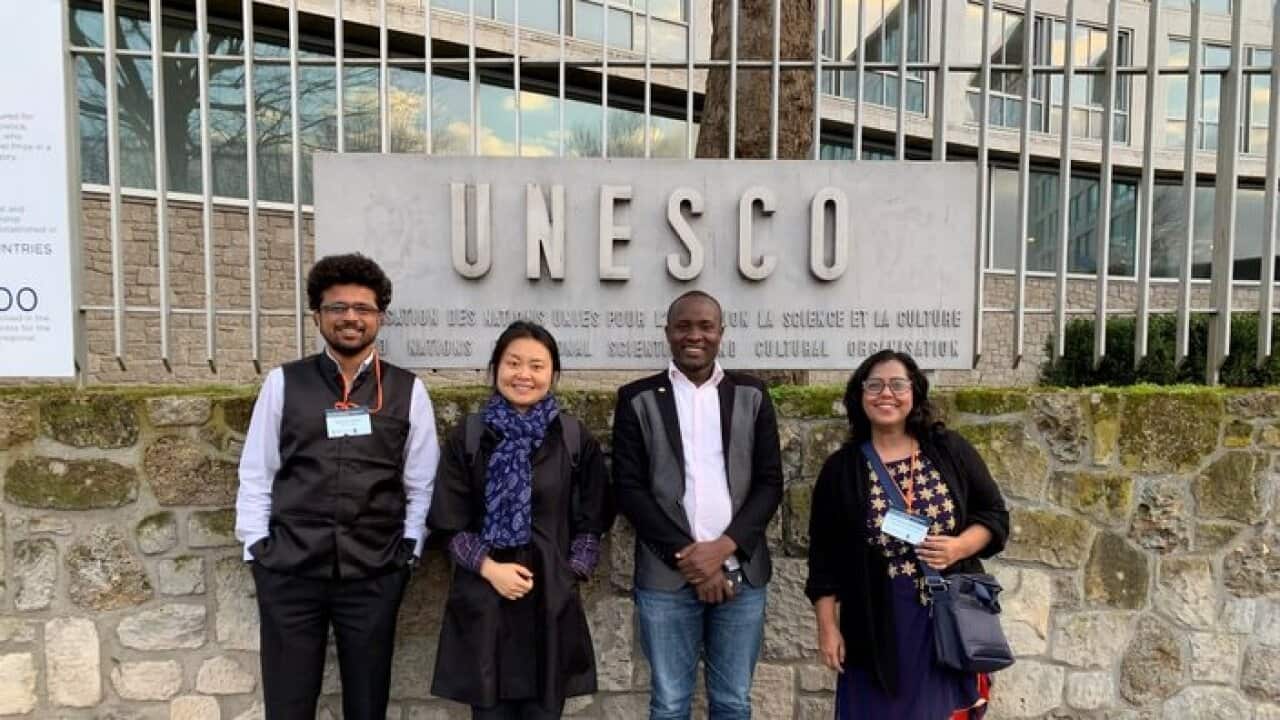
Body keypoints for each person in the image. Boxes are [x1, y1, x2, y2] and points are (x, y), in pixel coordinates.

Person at [234, 252, 440, 720]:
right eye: (338, 307)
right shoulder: (284, 383)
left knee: (367, 705)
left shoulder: (408, 391)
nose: (351, 317)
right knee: (288, 706)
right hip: (290, 569)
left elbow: (421, 481)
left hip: (374, 571)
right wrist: (257, 548)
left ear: (380, 318)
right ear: (317, 315)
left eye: (363, 308)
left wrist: (408, 550)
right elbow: (257, 470)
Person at [805, 350, 1009, 720]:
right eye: (875, 385)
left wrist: (960, 546)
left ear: (914, 392)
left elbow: (994, 514)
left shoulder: (948, 449)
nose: (887, 393)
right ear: (859, 395)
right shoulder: (841, 470)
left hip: (947, 618)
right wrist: (827, 628)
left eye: (898, 384)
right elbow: (824, 558)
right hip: (876, 623)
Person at [612, 290, 784, 720]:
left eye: (706, 326)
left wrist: (723, 548)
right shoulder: (637, 398)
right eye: (684, 326)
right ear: (667, 333)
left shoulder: (752, 394)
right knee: (669, 704)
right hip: (666, 577)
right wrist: (694, 561)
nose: (695, 335)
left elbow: (769, 483)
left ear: (721, 333)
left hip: (742, 572)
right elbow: (629, 490)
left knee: (733, 702)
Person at [428, 321, 612, 720]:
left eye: (536, 365)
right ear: (496, 368)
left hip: (550, 607)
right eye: (513, 363)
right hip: (486, 605)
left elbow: (593, 517)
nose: (523, 375)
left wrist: (569, 572)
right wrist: (489, 569)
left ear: (553, 374)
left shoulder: (572, 437)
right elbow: (447, 521)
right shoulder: (470, 436)